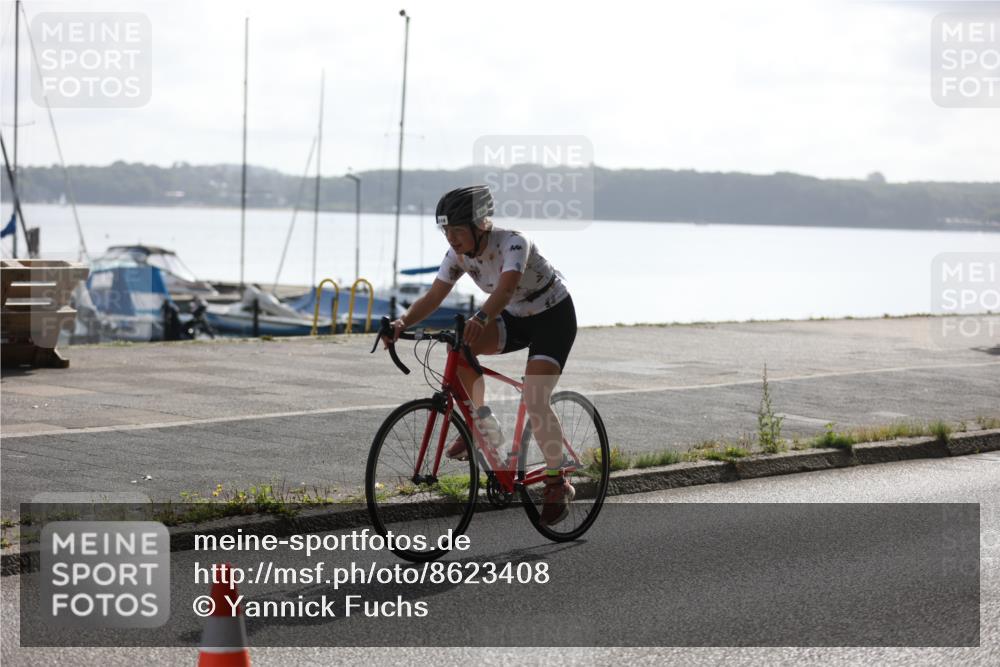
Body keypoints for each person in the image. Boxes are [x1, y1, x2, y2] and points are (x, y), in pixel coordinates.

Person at [384, 185, 578, 526]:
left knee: (535, 397)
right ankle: (483, 423)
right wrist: (402, 322)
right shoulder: (457, 255)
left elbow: (504, 289)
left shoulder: (514, 242)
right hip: (514, 316)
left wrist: (482, 317)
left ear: (481, 225)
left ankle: (556, 480)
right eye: (446, 231)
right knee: (460, 347)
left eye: (458, 230)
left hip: (552, 317)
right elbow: (433, 297)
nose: (452, 238)